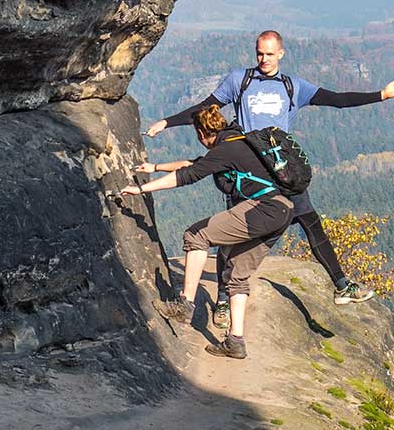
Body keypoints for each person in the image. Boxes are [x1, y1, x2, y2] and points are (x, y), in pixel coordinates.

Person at [145, 29, 394, 324]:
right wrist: (167, 122)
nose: (264, 59)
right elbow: (204, 108)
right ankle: (222, 300)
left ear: (281, 54)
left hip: (282, 170)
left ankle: (341, 285)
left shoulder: (292, 86)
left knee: (311, 223)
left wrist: (381, 95)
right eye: (260, 53)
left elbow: (336, 99)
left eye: (270, 54)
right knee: (230, 236)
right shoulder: (240, 80)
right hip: (247, 173)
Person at [122, 104, 292, 360]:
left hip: (262, 209)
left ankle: (185, 304)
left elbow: (189, 175)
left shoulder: (226, 149)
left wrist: (141, 189)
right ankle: (235, 342)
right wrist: (155, 167)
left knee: (196, 235)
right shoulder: (237, 142)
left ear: (202, 133)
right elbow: (195, 164)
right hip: (282, 211)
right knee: (237, 274)